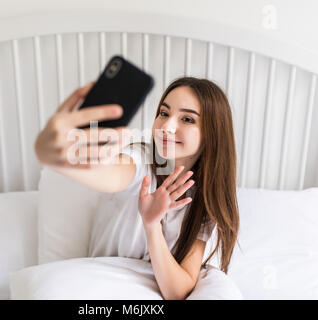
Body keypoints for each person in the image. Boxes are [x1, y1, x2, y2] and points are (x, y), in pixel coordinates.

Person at [35, 77, 240, 300]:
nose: (167, 127)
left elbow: (177, 291)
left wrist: (152, 226)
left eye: (187, 119)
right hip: (97, 289)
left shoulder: (203, 203)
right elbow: (110, 174)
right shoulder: (140, 160)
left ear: (212, 134)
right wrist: (62, 157)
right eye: (164, 113)